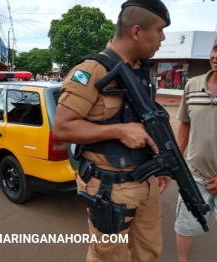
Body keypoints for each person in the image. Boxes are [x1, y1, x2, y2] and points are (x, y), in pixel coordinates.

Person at [52, 1, 172, 261]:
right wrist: (118, 130)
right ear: (137, 32)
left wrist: (162, 167)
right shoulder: (90, 71)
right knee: (108, 257)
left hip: (146, 181)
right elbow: (62, 127)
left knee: (149, 252)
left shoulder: (140, 71)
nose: (163, 38)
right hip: (109, 187)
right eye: (160, 30)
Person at [175, 37, 217, 262]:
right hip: (194, 176)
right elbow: (185, 125)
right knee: (185, 227)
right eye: (215, 48)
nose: (216, 56)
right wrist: (174, 164)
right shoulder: (192, 85)